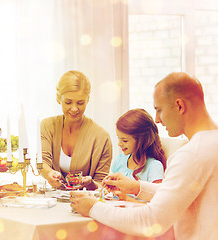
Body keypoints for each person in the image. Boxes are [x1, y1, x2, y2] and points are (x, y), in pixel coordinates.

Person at [70, 72, 218, 239]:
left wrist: (92, 207)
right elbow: (178, 191)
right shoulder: (210, 145)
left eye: (159, 110)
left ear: (179, 106)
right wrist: (137, 187)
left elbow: (150, 221)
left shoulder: (191, 155)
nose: (157, 120)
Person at [41, 70, 112, 190]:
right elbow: (42, 162)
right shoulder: (47, 126)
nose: (74, 109)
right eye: (68, 102)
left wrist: (90, 184)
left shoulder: (102, 137)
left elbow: (101, 184)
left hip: (87, 204)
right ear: (58, 98)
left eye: (80, 103)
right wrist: (49, 174)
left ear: (88, 99)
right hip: (54, 202)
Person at [112, 108, 166, 184]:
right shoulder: (120, 160)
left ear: (141, 140)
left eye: (125, 140)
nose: (119, 143)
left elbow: (157, 195)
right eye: (119, 138)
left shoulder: (154, 166)